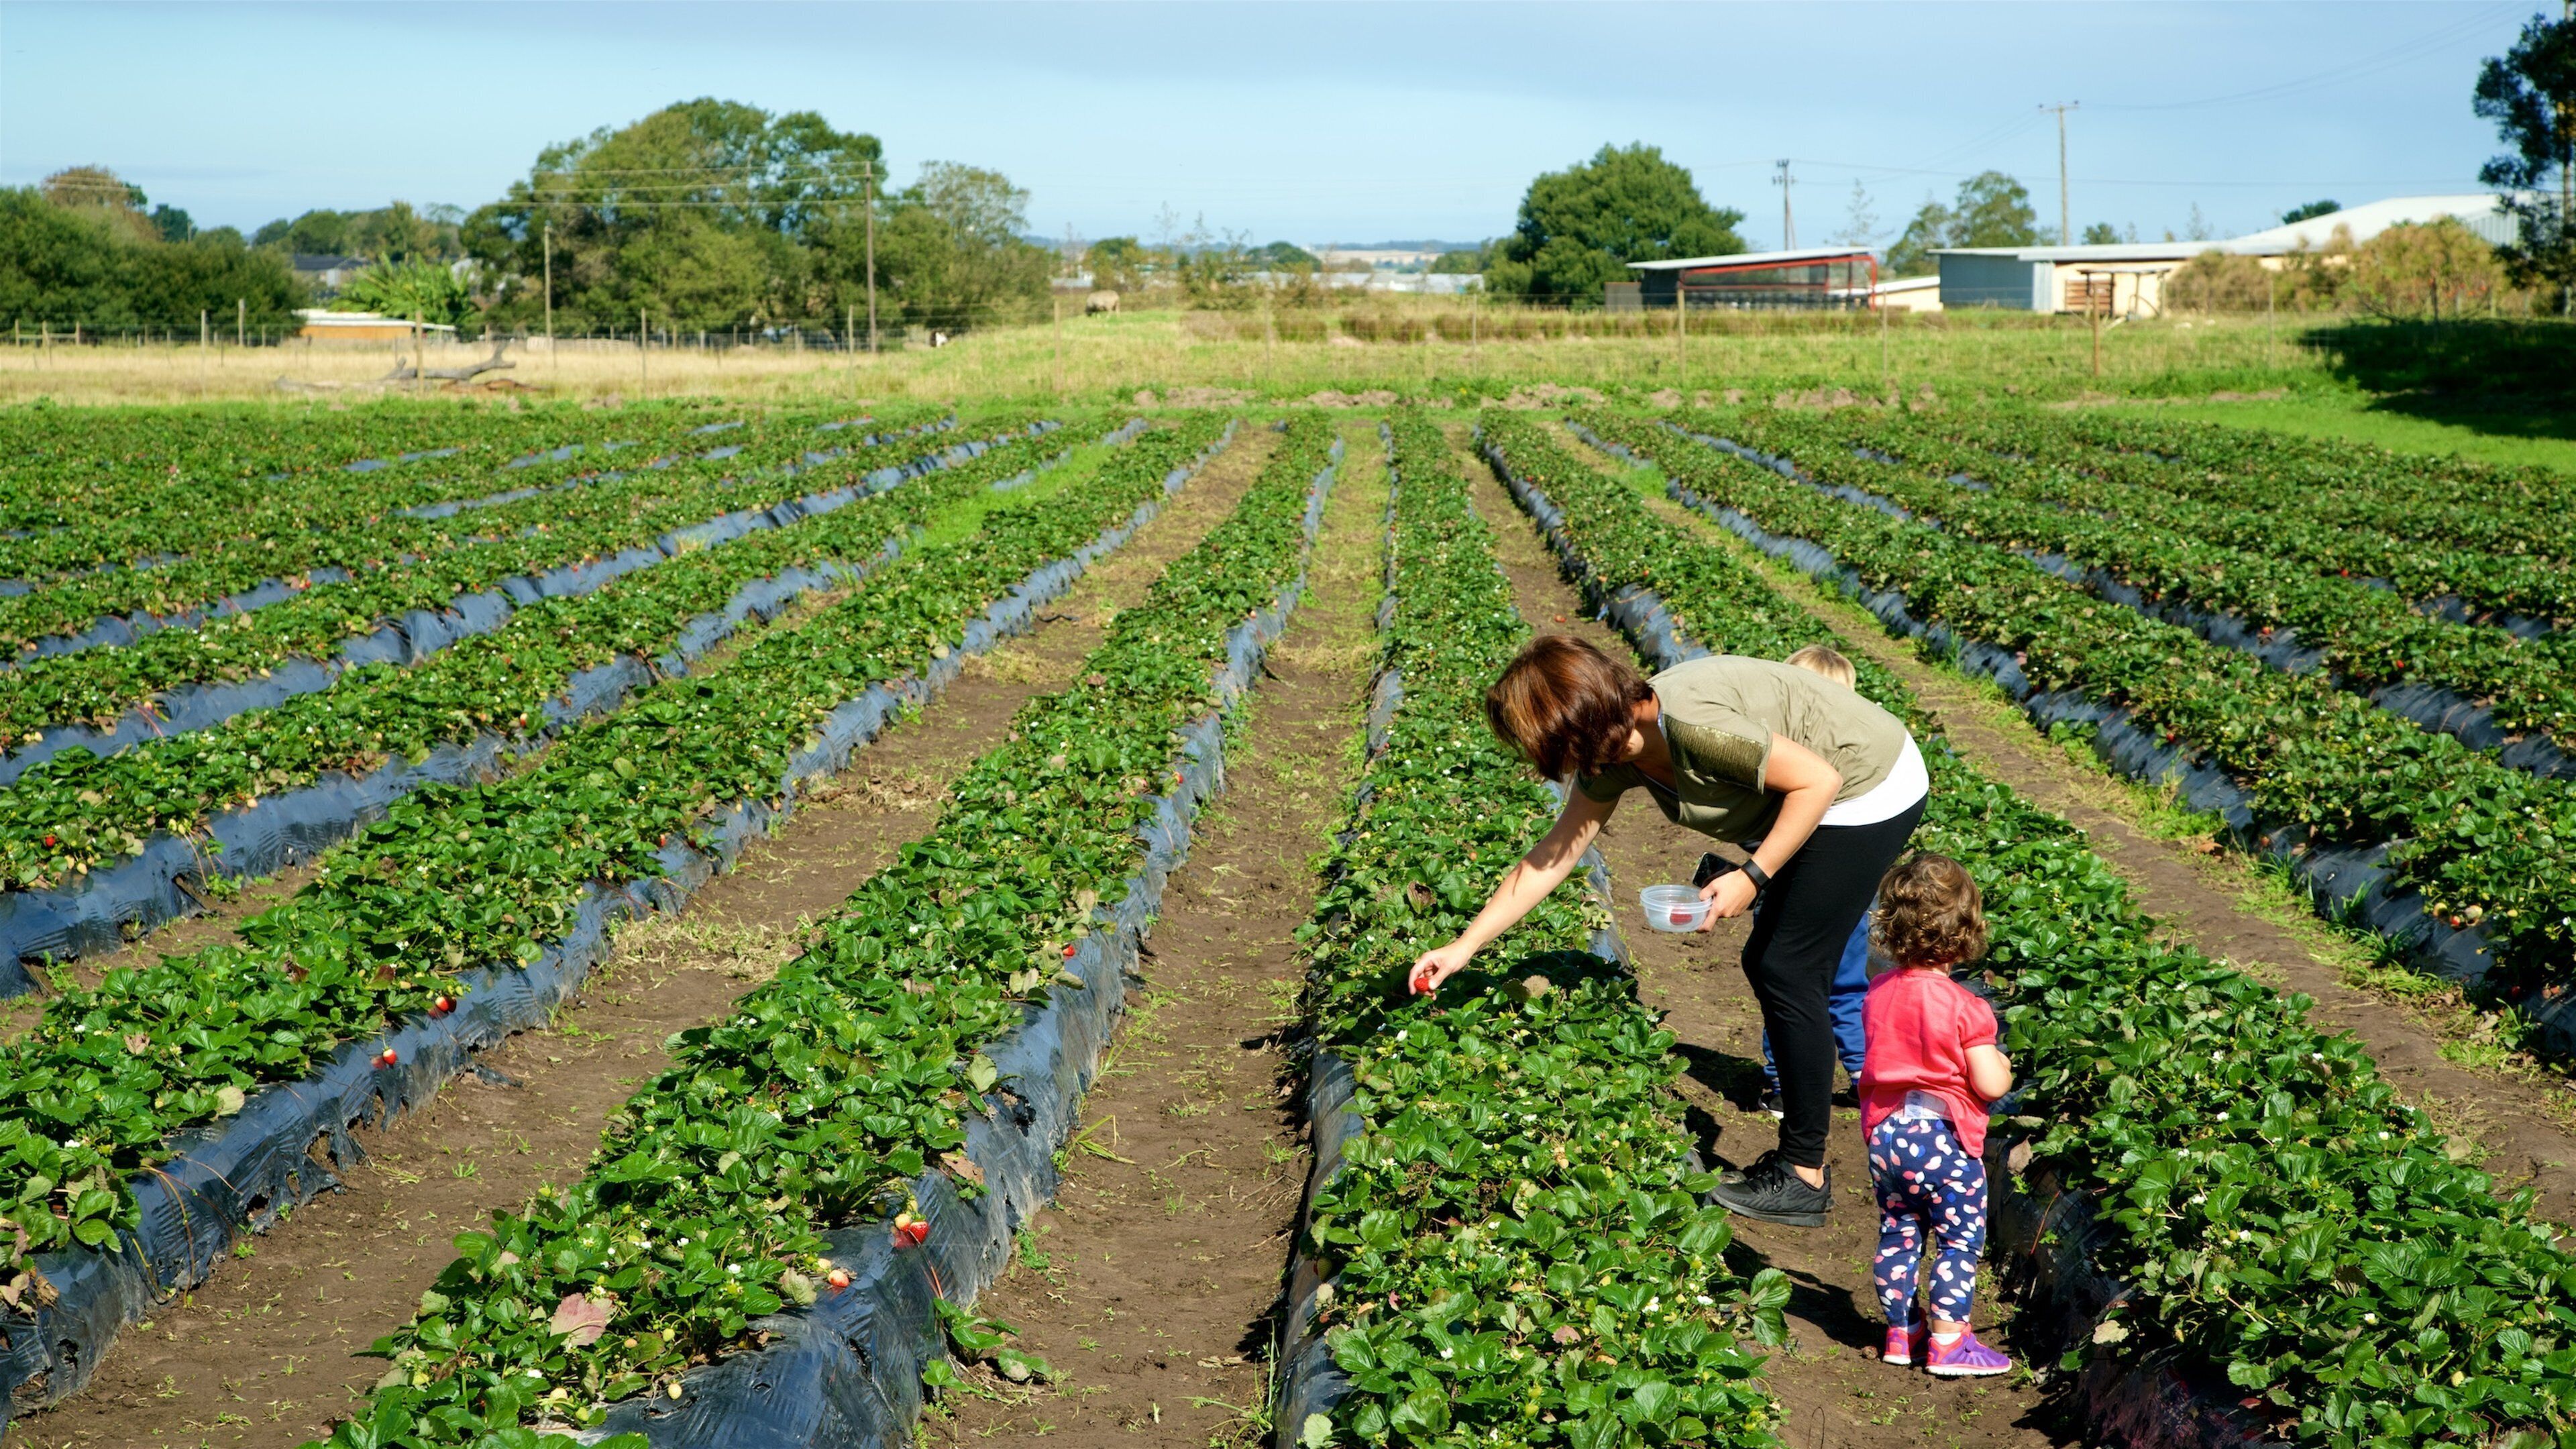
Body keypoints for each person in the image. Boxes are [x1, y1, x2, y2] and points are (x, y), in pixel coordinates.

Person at [1409, 635, 1929, 1226]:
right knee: (1775, 962)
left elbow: (1818, 782)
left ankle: (1803, 1175)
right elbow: (1555, 853)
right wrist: (1463, 945)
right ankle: (1800, 1163)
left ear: (1577, 723)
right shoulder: (1615, 755)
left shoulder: (1693, 726)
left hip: (1867, 784)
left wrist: (1753, 877)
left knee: (1787, 965)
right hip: (1820, 788)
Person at [1862, 853, 2015, 1377]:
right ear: (1966, 934)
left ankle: (1902, 1332)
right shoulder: (1967, 1008)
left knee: (1899, 1229)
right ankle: (1950, 1342)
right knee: (1958, 1237)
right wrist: (2003, 1064)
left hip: (1887, 1136)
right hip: (1944, 1141)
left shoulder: (1878, 993)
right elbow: (1989, 1083)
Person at [1741, 644, 1874, 1116]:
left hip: (1789, 895)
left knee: (1785, 986)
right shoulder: (1860, 763)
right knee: (1846, 988)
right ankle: (1865, 1079)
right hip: (1850, 896)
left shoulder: (1782, 763)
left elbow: (1765, 837)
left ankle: (1780, 1085)